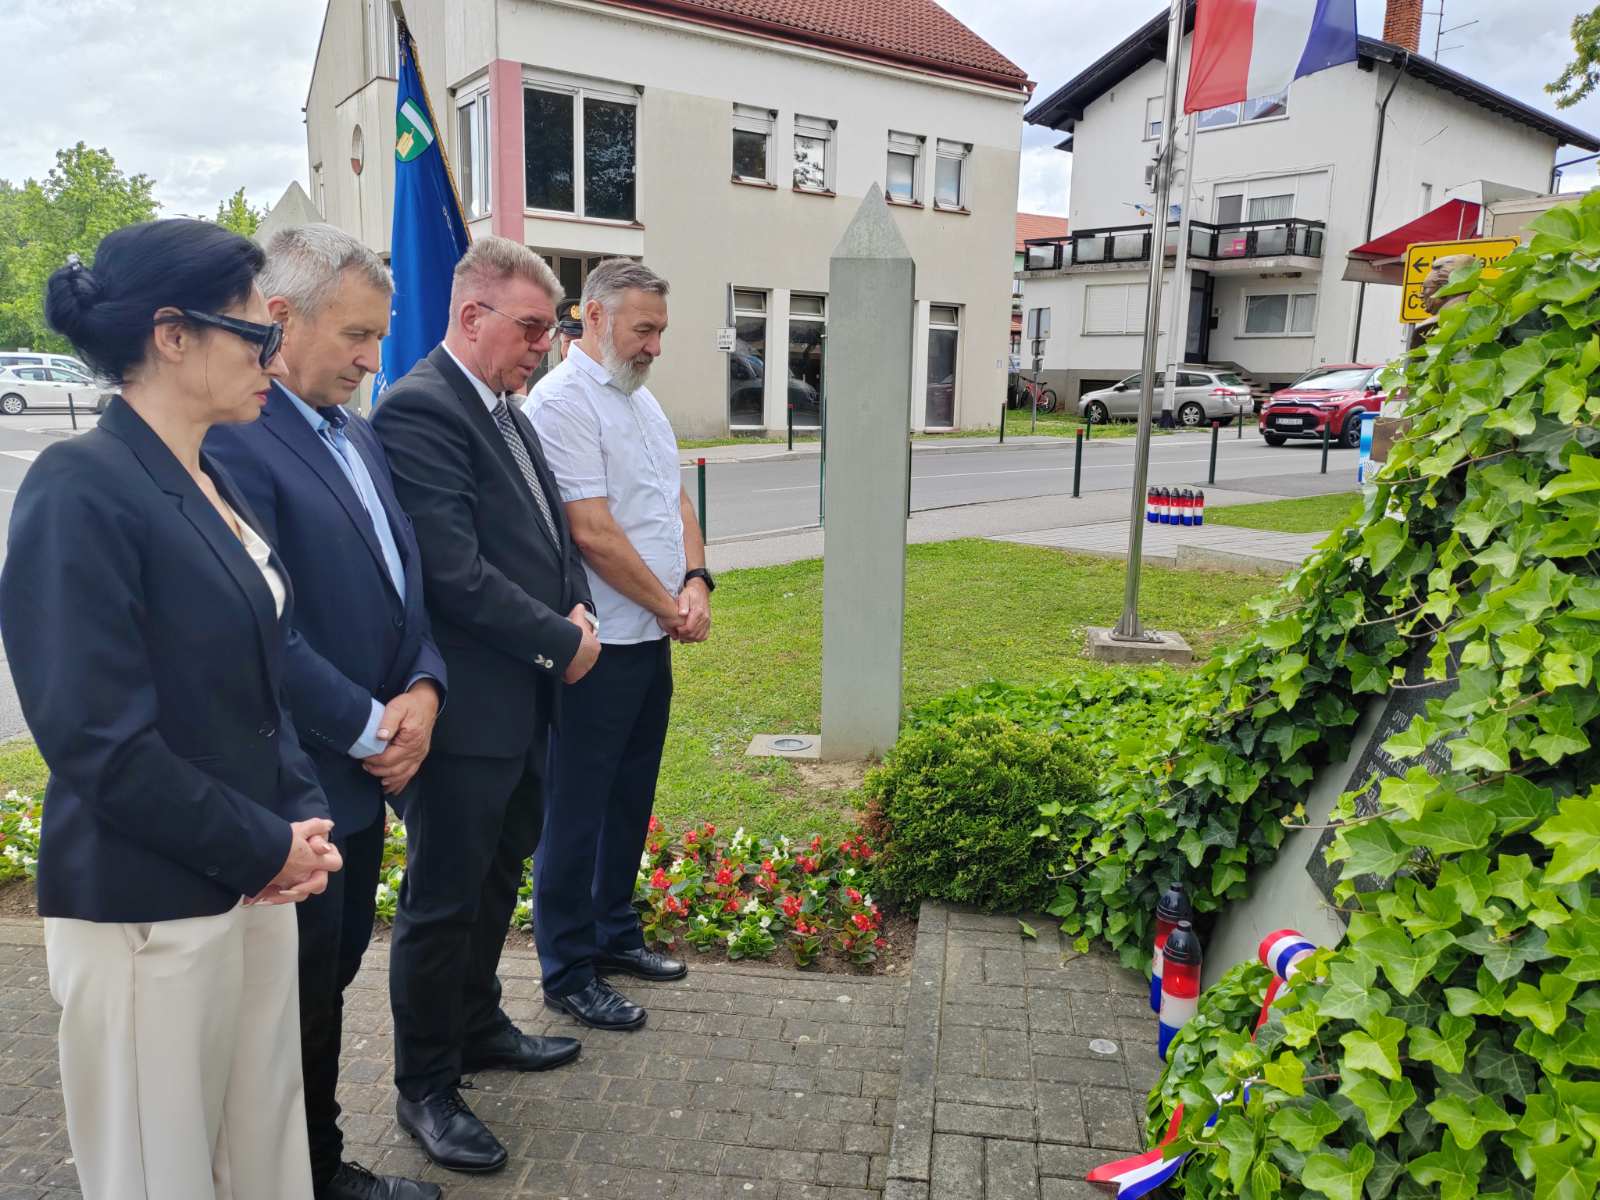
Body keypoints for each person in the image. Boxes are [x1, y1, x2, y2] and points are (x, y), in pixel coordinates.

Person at [0, 219, 344, 1200]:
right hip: (147, 911)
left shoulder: (212, 472)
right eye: (257, 332)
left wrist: (298, 818)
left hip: (248, 886)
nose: (274, 356)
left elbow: (257, 674)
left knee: (259, 1155)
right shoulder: (78, 488)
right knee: (163, 1174)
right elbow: (95, 742)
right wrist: (264, 845)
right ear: (172, 334)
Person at [204, 225, 447, 1200]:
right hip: (301, 782)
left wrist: (424, 686)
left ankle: (305, 1161)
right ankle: (308, 1171)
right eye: (356, 334)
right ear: (280, 317)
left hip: (364, 773)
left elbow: (405, 582)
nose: (372, 358)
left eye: (379, 335)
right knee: (294, 1003)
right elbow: (265, 628)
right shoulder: (235, 439)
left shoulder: (355, 430)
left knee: (328, 981)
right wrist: (373, 727)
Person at [372, 236, 597, 1173]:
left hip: (521, 704)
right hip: (464, 714)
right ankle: (426, 1083)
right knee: (442, 900)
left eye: (551, 329)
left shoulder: (502, 406)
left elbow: (546, 533)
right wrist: (562, 639)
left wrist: (574, 606)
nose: (546, 346)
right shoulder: (422, 408)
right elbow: (453, 574)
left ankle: (477, 1024)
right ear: (471, 315)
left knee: (496, 877)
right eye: (533, 327)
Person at [525, 258, 710, 1029]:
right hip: (595, 649)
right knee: (575, 810)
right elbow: (591, 531)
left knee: (629, 799)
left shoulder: (641, 399)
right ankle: (568, 968)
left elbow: (675, 498)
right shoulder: (562, 403)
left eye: (660, 331)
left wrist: (698, 579)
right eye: (644, 330)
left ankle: (613, 932)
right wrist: (671, 606)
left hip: (648, 641)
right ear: (594, 317)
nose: (655, 346)